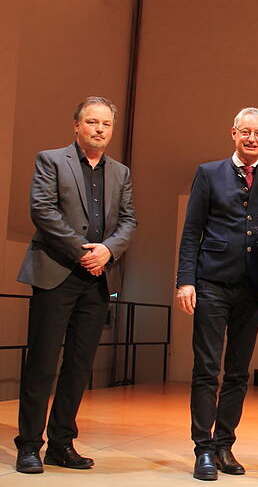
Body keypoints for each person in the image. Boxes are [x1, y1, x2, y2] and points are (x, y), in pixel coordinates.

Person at [14, 96, 137, 474]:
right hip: (55, 273)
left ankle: (61, 444)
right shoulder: (51, 160)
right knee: (42, 363)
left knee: (79, 366)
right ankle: (30, 446)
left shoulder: (121, 172)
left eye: (106, 124)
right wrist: (83, 251)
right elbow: (43, 210)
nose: (100, 129)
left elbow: (129, 221)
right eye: (92, 122)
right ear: (77, 126)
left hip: (96, 280)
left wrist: (107, 252)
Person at [175, 107, 258, 480]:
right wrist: (185, 280)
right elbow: (192, 231)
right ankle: (202, 449)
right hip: (211, 282)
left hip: (252, 286)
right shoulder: (209, 173)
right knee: (206, 368)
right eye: (245, 132)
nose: (251, 139)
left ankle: (224, 444)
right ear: (233, 133)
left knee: (238, 371)